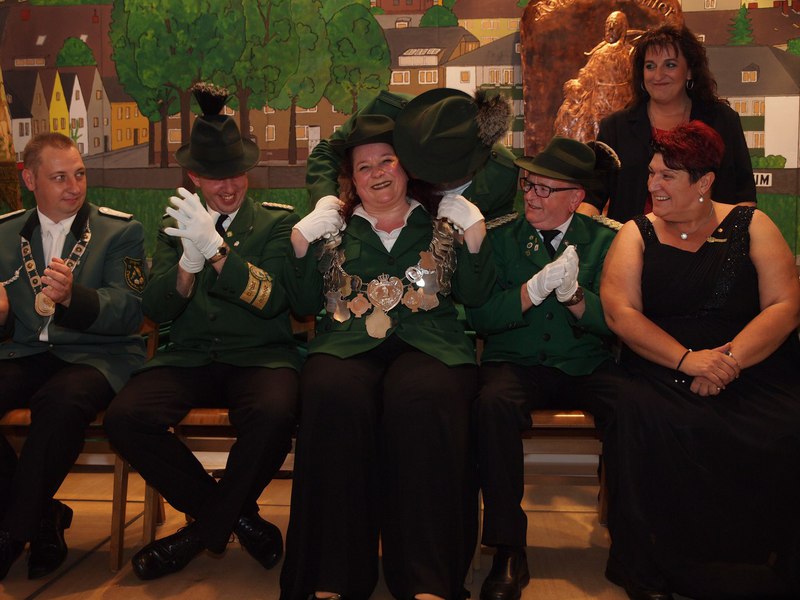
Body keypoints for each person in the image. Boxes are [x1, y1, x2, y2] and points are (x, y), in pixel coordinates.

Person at [279, 114, 494, 600]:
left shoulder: (442, 220)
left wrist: (476, 234)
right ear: (351, 180)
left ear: (407, 167)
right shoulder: (333, 226)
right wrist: (299, 242)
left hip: (429, 343)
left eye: (387, 161)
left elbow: (477, 297)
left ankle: (427, 580)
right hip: (348, 343)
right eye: (364, 167)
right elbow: (301, 302)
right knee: (331, 394)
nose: (377, 173)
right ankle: (333, 575)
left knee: (424, 401)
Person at [103, 84, 300, 580]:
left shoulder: (276, 223)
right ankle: (234, 517)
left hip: (259, 355)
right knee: (125, 417)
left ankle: (198, 534)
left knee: (277, 411)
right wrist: (187, 267)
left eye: (235, 173)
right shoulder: (176, 223)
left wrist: (216, 250)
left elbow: (274, 300)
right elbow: (155, 308)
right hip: (190, 356)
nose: (228, 187)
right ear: (194, 176)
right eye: (214, 177)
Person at [600, 120, 800, 599]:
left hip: (751, 361)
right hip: (661, 365)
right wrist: (687, 361)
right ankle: (657, 569)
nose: (653, 184)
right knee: (650, 419)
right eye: (652, 173)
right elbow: (620, 312)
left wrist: (727, 362)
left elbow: (785, 305)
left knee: (787, 425)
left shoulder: (752, 224)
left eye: (667, 176)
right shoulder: (636, 232)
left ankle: (765, 569)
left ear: (704, 181)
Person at [466, 137, 621, 600]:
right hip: (516, 363)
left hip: (583, 364)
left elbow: (619, 322)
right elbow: (480, 317)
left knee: (636, 406)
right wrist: (529, 293)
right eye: (528, 185)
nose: (530, 196)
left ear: (576, 198)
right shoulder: (498, 237)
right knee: (492, 405)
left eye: (544, 189)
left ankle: (634, 544)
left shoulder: (608, 240)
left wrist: (576, 298)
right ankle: (508, 549)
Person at [0, 132, 146, 580]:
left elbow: (130, 310)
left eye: (79, 174)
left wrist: (72, 298)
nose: (74, 186)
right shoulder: (3, 232)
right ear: (30, 180)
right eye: (59, 177)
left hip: (97, 355)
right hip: (24, 350)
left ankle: (11, 534)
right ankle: (43, 515)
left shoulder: (120, 230)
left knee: (60, 403)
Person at [587, 23, 756, 221]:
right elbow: (591, 198)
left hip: (710, 237)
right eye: (650, 66)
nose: (658, 75)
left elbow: (744, 197)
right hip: (632, 238)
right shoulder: (615, 128)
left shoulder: (723, 120)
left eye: (670, 65)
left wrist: (728, 238)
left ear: (689, 71)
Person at [306, 87, 518, 222]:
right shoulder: (386, 112)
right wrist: (326, 202)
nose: (407, 169)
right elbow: (327, 152)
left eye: (423, 167)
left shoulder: (501, 176)